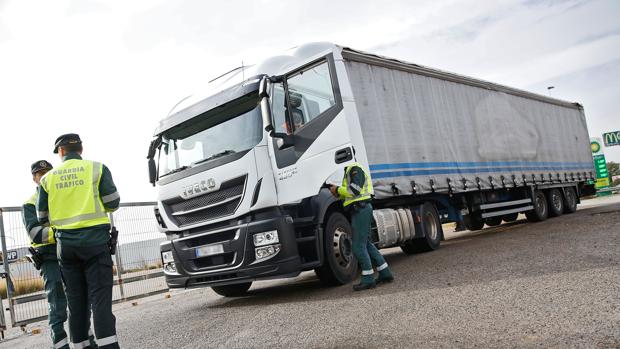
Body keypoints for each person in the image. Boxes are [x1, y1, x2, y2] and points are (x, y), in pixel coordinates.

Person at [37, 133, 121, 349]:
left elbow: (42, 218)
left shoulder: (47, 179)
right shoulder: (97, 168)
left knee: (76, 304)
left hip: (66, 249)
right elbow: (113, 203)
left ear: (61, 152)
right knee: (100, 301)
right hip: (95, 245)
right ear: (81, 150)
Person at [23, 160, 98, 349]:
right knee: (57, 306)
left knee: (81, 301)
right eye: (40, 174)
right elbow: (36, 234)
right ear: (34, 178)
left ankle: (86, 341)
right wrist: (63, 232)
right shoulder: (30, 204)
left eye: (47, 172)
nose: (44, 176)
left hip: (70, 254)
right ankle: (60, 345)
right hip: (49, 258)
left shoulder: (62, 196)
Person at [330, 162, 394, 291]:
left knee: (358, 246)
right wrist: (339, 194)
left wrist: (337, 189)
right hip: (361, 209)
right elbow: (351, 192)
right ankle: (385, 273)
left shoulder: (354, 169)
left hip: (361, 209)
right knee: (367, 244)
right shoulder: (349, 170)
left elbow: (354, 190)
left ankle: (368, 279)